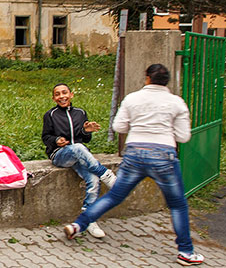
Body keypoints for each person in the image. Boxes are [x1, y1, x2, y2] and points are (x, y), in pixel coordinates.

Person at [64, 64, 203, 266]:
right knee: (178, 204)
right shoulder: (176, 103)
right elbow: (183, 136)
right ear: (167, 81)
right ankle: (186, 252)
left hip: (135, 154)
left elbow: (119, 126)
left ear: (147, 78)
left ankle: (78, 225)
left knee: (114, 196)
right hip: (163, 156)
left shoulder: (132, 98)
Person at [42, 83, 117, 238]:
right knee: (77, 147)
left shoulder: (81, 113)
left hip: (80, 157)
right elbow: (46, 137)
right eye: (57, 94)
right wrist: (56, 140)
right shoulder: (50, 115)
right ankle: (106, 174)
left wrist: (86, 131)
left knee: (94, 180)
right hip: (60, 155)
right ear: (53, 98)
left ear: (71, 94)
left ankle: (89, 219)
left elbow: (85, 139)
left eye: (64, 93)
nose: (61, 96)